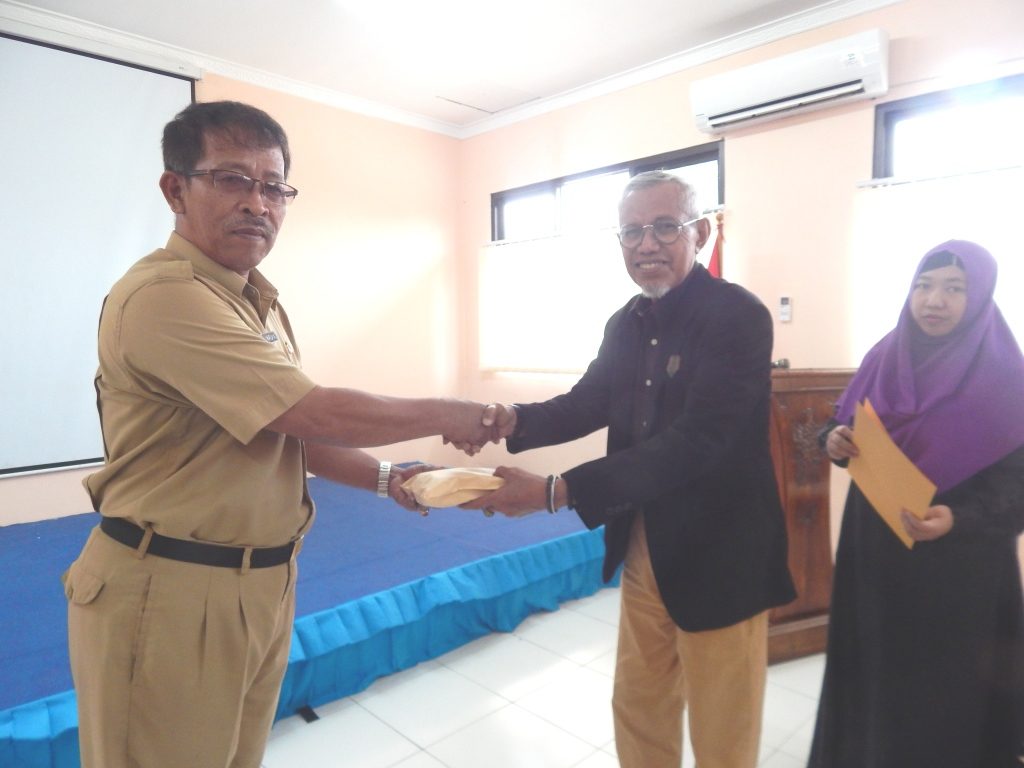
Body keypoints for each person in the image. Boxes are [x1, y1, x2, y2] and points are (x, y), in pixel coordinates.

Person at [62, 100, 500, 768]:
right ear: (175, 190)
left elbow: (288, 431)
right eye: (232, 179)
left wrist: (388, 478)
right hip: (170, 588)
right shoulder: (164, 296)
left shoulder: (255, 300)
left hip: (259, 584)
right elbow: (314, 412)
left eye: (274, 186)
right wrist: (453, 414)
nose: (257, 203)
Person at [461, 170, 796, 768]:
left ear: (701, 233)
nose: (647, 244)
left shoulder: (736, 316)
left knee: (723, 729)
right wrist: (508, 420)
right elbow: (588, 403)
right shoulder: (627, 322)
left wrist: (556, 491)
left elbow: (697, 442)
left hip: (723, 555)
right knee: (640, 705)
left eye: (665, 227)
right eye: (632, 231)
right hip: (646, 544)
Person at [807, 240, 1024, 768]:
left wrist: (960, 519)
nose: (933, 300)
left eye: (954, 288)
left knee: (943, 697)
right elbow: (842, 423)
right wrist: (833, 440)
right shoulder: (886, 356)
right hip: (876, 557)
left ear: (980, 296)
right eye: (923, 286)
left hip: (959, 571)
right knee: (875, 678)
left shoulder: (1004, 377)